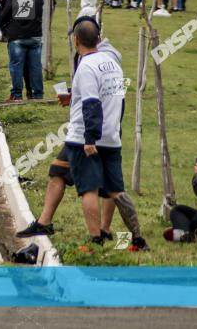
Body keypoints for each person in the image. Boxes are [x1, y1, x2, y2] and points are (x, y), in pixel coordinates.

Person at [65, 17, 143, 246]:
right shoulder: (114, 65)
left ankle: (95, 239)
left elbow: (91, 104)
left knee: (88, 189)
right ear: (99, 40)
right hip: (112, 136)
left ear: (76, 40)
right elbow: (119, 100)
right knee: (117, 190)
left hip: (86, 138)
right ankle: (137, 237)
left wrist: (90, 138)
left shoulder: (86, 66)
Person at [0, 0, 44, 102]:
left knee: (16, 67)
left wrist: (7, 30)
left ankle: (17, 95)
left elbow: (3, 17)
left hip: (17, 37)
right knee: (35, 66)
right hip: (35, 37)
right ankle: (38, 95)